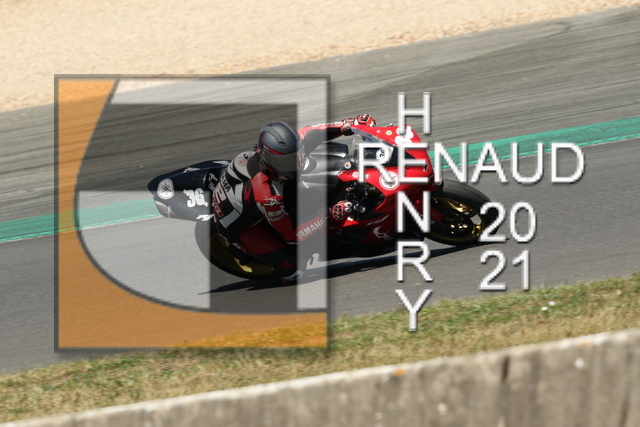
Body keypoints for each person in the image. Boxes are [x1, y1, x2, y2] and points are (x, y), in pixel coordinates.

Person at [211, 114, 376, 284]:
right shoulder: (267, 195)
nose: (294, 164)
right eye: (286, 162)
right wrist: (329, 214)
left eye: (295, 156)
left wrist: (350, 124)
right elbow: (291, 234)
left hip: (244, 192)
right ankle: (254, 253)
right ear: (268, 159)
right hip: (240, 226)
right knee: (294, 271)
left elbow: (313, 132)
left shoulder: (278, 152)